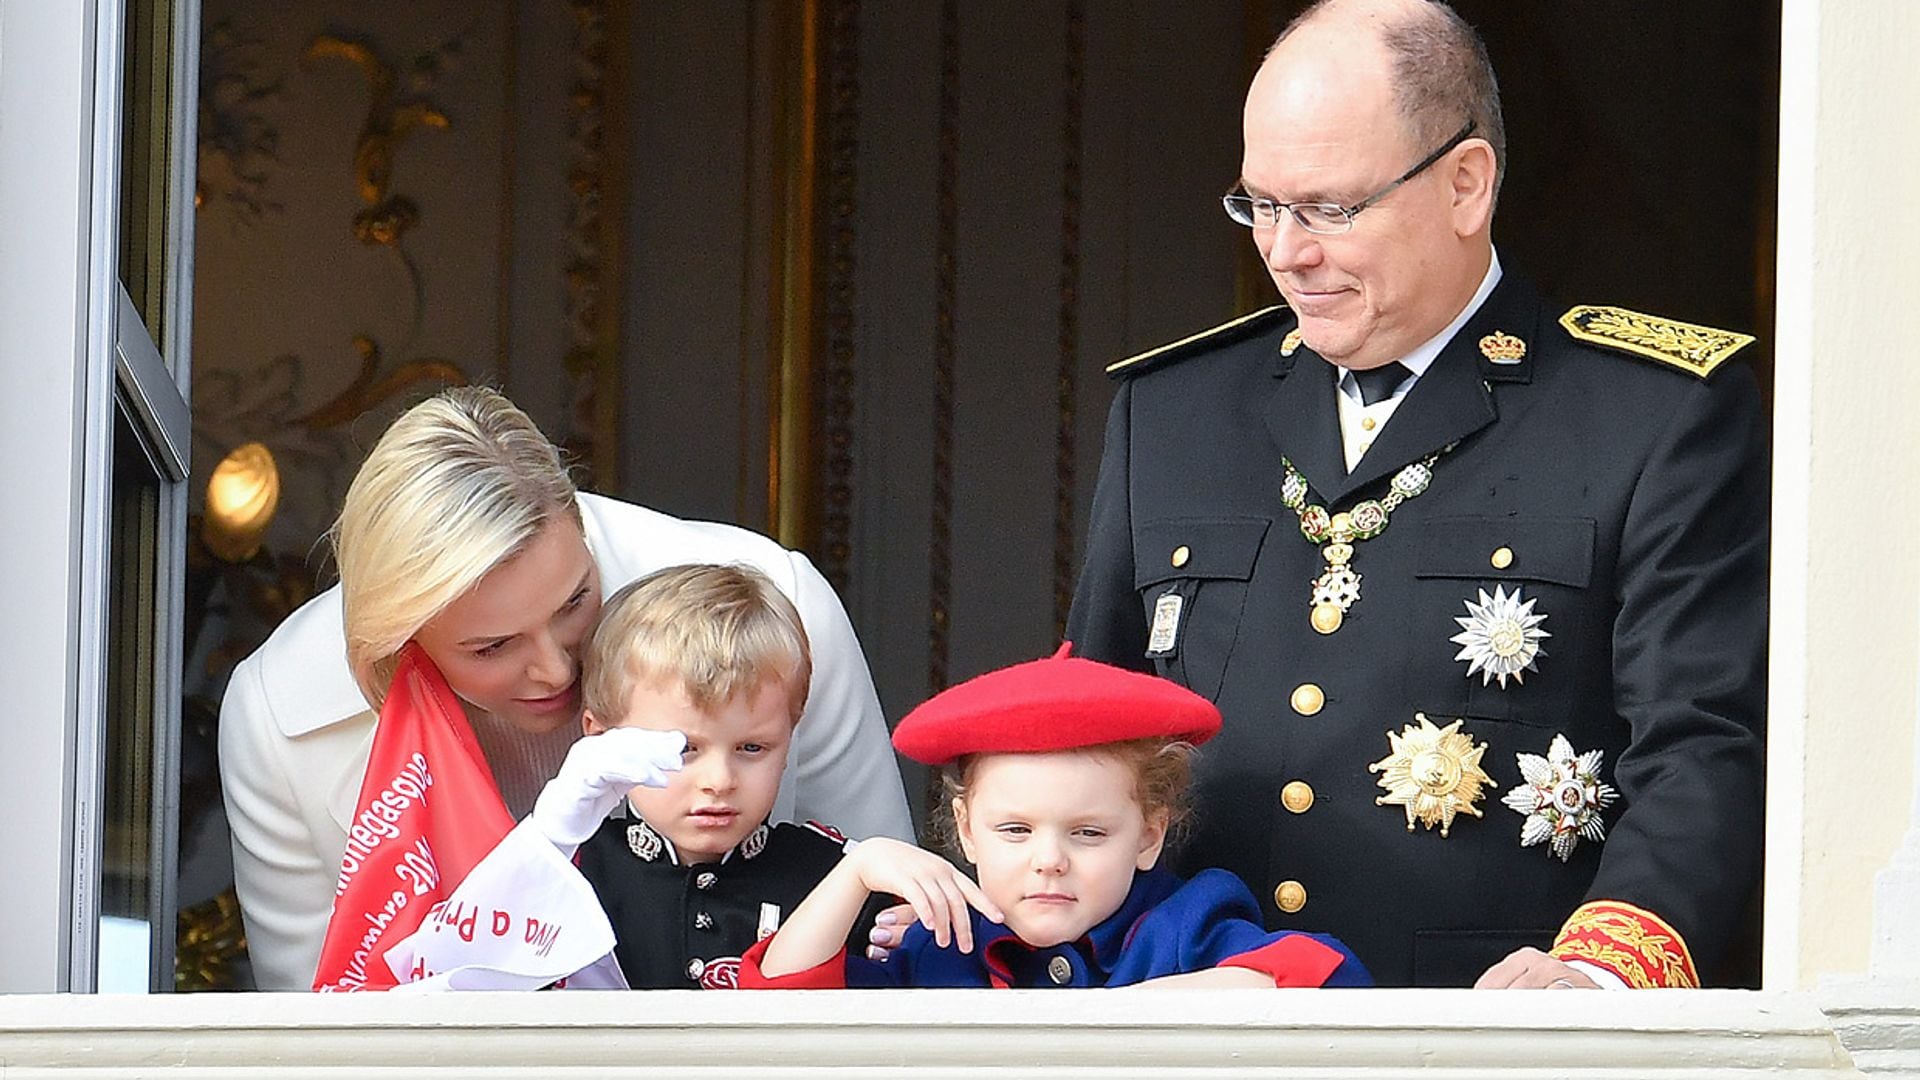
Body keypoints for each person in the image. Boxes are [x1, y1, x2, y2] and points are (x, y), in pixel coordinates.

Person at [1064, 0, 1767, 988]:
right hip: (1192, 1022)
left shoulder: (1650, 416)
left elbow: (1703, 741)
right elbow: (1084, 734)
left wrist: (1602, 978)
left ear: (1465, 185)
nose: (1285, 251)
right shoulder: (1170, 413)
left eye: (1330, 208)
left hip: (1490, 1037)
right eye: (1261, 205)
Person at [219, 386, 913, 989]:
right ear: (400, 641)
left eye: (575, 603)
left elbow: (892, 923)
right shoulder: (277, 719)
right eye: (492, 647)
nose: (555, 670)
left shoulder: (777, 604)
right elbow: (318, 1034)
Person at [740, 645, 1371, 989]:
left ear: (1150, 835)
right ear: (965, 830)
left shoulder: (1186, 924)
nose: (1049, 859)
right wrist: (859, 870)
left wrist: (1139, 1017)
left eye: (1089, 833)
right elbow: (779, 1007)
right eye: (1014, 830)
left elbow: (1327, 977)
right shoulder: (935, 947)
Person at [566, 563, 878, 988]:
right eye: (684, 749)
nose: (719, 780)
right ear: (600, 740)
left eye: (752, 748)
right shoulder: (567, 872)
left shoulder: (839, 877)